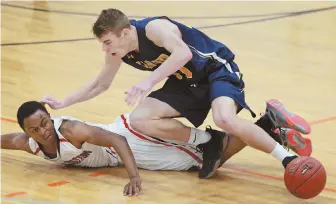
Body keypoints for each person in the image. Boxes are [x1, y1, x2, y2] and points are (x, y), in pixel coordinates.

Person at [40, 9, 311, 178]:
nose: (105, 49)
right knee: (140, 119)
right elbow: (100, 84)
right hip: (187, 83)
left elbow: (182, 53)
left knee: (224, 119)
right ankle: (209, 141)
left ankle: (286, 158)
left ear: (124, 33)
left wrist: (148, 83)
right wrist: (64, 101)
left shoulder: (155, 29)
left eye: (108, 42)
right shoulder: (118, 50)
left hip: (216, 70)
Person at [1, 101, 311, 196]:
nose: (42, 130)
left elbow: (117, 141)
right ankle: (269, 127)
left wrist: (134, 176)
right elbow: (5, 141)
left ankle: (266, 126)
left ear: (49, 117)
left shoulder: (70, 130)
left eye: (44, 122)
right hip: (125, 150)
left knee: (204, 161)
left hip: (129, 142)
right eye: (35, 128)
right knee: (206, 164)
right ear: (28, 132)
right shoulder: (31, 145)